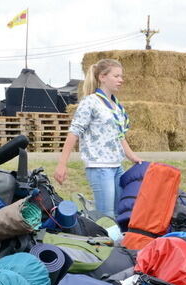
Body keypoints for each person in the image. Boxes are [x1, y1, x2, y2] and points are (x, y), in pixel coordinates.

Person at [54, 58, 142, 219]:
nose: (121, 80)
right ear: (102, 77)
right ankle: (107, 243)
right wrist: (62, 164)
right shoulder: (91, 102)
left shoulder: (116, 105)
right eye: (116, 76)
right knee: (106, 215)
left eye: (121, 76)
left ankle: (119, 242)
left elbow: (119, 135)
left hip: (117, 166)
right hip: (100, 166)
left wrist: (131, 156)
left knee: (120, 212)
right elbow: (74, 132)